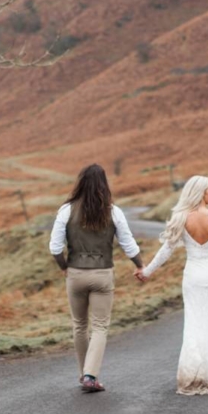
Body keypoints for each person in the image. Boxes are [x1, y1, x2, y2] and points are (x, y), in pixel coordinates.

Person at [137, 175, 208, 395]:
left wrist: (147, 272)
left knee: (193, 323)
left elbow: (167, 250)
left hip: (193, 276)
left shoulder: (182, 218)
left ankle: (191, 375)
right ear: (201, 192)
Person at [49, 163, 144, 393]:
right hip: (102, 274)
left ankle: (84, 375)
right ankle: (91, 376)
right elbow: (128, 244)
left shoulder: (66, 210)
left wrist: (64, 268)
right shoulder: (113, 211)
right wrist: (140, 266)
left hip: (75, 274)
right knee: (100, 326)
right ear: (104, 185)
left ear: (80, 183)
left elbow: (54, 247)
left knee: (79, 325)